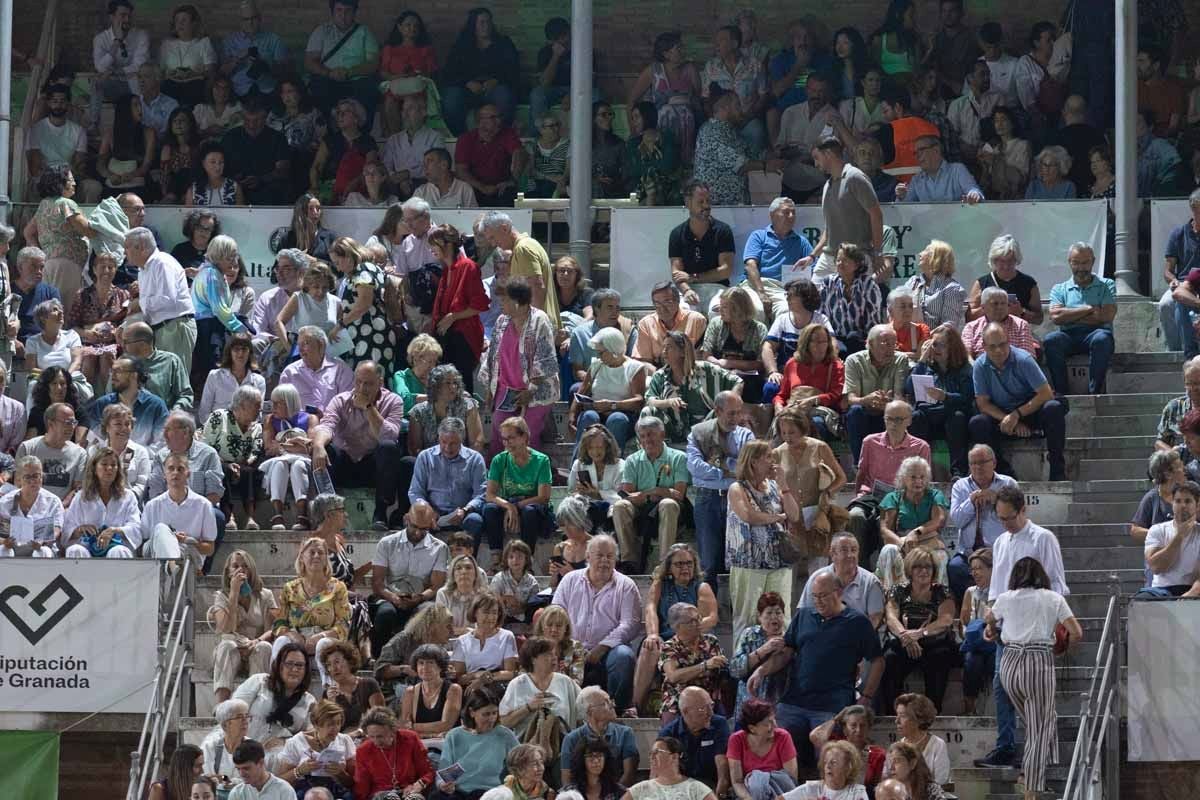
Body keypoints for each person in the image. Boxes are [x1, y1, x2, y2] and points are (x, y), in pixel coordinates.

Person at [747, 572, 884, 768]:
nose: (818, 601)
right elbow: (786, 653)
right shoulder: (804, 615)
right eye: (814, 596)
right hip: (794, 701)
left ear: (838, 592)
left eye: (823, 595)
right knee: (774, 744)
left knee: (829, 760)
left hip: (832, 705)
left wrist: (866, 697)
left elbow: (878, 661)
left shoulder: (857, 622)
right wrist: (761, 671)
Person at [974, 485, 1068, 769]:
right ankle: (1006, 747)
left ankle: (1040, 751)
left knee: (1034, 696)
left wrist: (1053, 625)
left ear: (1023, 510)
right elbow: (997, 589)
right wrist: (990, 620)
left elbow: (1056, 585)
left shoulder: (1043, 538)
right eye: (1001, 518)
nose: (1006, 524)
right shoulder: (1001, 542)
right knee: (1001, 686)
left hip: (1035, 629)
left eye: (1009, 518)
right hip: (1007, 624)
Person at [985, 557, 1083, 800]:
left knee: (1039, 720)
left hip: (1008, 663)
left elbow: (989, 618)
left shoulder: (1005, 598)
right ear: (1042, 575)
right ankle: (1031, 786)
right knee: (1040, 727)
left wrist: (993, 630)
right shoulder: (1053, 598)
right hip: (1037, 660)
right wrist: (1064, 645)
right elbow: (1077, 632)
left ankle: (1039, 767)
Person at [310, 361, 407, 530]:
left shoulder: (393, 401)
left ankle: (381, 513)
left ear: (380, 383)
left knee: (388, 448)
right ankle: (328, 513)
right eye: (358, 382)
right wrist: (318, 446)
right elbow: (327, 425)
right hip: (345, 464)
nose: (362, 388)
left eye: (368, 383)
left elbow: (389, 435)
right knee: (326, 449)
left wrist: (368, 408)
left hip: (373, 468)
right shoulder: (340, 400)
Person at [970, 323, 1067, 481]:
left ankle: (1057, 470)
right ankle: (1003, 472)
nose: (998, 350)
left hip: (1030, 410)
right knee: (978, 422)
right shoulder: (980, 366)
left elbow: (1046, 393)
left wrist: (1017, 415)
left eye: (1002, 344)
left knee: (1054, 408)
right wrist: (1009, 420)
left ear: (1008, 341)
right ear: (984, 347)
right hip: (1003, 414)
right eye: (992, 346)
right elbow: (983, 404)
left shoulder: (1023, 359)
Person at [725, 440, 801, 642]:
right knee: (747, 618)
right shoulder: (737, 488)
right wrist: (777, 518)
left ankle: (781, 664)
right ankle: (743, 666)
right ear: (753, 462)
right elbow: (748, 515)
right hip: (749, 562)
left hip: (778, 560)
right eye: (767, 457)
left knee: (781, 617)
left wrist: (784, 485)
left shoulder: (775, 486)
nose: (772, 461)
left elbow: (793, 515)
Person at [479, 277, 561, 452]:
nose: (501, 303)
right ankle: (499, 475)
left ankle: (530, 475)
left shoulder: (539, 319)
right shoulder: (502, 321)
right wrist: (490, 389)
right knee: (500, 431)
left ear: (518, 301)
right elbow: (493, 355)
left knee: (527, 433)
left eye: (505, 300)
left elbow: (545, 356)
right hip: (505, 389)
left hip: (537, 389)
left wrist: (531, 390)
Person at [687, 391, 753, 591]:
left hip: (737, 498)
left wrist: (721, 468)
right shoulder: (698, 433)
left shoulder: (746, 435)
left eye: (738, 413)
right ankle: (709, 610)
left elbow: (747, 467)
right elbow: (695, 467)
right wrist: (724, 472)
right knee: (708, 560)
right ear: (717, 411)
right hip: (707, 499)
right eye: (731, 413)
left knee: (739, 558)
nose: (736, 418)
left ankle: (738, 611)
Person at [611, 417, 688, 576]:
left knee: (668, 503)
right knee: (619, 506)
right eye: (643, 436)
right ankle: (629, 561)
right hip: (642, 506)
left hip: (670, 507)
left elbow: (679, 494)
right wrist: (655, 493)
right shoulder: (633, 460)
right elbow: (628, 493)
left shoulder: (678, 457)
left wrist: (652, 492)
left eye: (651, 435)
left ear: (662, 434)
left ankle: (665, 561)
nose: (647, 440)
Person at [370, 500, 449, 652]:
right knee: (385, 613)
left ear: (432, 524)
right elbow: (377, 583)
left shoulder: (440, 548)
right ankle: (379, 657)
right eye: (415, 527)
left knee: (429, 612)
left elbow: (435, 586)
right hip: (390, 596)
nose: (418, 532)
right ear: (406, 519)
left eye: (424, 529)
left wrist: (418, 598)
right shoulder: (387, 543)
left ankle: (419, 659)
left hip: (420, 598)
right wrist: (394, 598)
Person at [272, 536, 351, 688]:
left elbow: (344, 624)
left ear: (326, 558)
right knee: (282, 641)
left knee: (323, 644)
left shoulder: (337, 587)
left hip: (325, 642)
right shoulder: (290, 588)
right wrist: (292, 635)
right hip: (297, 644)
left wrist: (320, 636)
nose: (316, 556)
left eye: (320, 553)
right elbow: (279, 623)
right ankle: (275, 685)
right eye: (312, 552)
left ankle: (330, 691)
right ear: (302, 557)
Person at [145, 415, 224, 558]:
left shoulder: (208, 454)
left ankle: (202, 570)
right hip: (166, 508)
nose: (164, 435)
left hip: (198, 510)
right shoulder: (160, 456)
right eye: (165, 429)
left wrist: (193, 510)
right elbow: (155, 491)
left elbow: (215, 492)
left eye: (169, 430)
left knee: (216, 516)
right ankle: (171, 565)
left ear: (185, 432)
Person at [1044, 243, 1116, 395]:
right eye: (1076, 262)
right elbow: (1056, 317)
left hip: (1096, 334)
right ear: (1069, 262)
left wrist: (1069, 316)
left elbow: (1107, 316)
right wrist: (1089, 309)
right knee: (1051, 340)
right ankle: (1062, 394)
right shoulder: (1059, 288)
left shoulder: (1107, 284)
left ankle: (1094, 393)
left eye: (1085, 262)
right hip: (1068, 336)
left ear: (1093, 261)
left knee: (1102, 339)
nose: (1081, 267)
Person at [946, 444, 1017, 599]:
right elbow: (957, 520)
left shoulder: (1008, 484)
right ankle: (969, 608)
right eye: (973, 463)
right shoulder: (960, 486)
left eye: (983, 462)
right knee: (954, 568)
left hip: (1000, 552)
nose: (978, 467)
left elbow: (1016, 519)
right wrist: (971, 502)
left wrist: (997, 501)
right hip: (969, 554)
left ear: (994, 463)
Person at [480, 411, 553, 562]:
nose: (507, 443)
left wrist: (517, 506)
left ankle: (527, 559)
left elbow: (543, 497)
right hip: (510, 502)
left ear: (524, 437)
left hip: (531, 505)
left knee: (529, 512)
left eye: (511, 438)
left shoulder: (541, 460)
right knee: (489, 509)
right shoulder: (499, 460)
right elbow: (490, 495)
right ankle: (496, 559)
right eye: (504, 439)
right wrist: (509, 506)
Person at [125, 228, 198, 376]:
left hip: (175, 328)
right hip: (162, 330)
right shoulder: (143, 270)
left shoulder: (162, 263)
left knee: (176, 381)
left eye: (127, 247)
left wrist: (139, 303)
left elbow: (166, 299)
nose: (124, 252)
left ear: (141, 247)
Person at [905, 324, 974, 477]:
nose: (935, 348)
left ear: (952, 348)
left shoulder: (964, 369)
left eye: (940, 345)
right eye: (932, 344)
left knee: (957, 417)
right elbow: (909, 388)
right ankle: (917, 472)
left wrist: (945, 396)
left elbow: (967, 399)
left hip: (951, 417)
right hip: (930, 416)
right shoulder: (927, 367)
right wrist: (922, 360)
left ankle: (958, 472)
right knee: (915, 418)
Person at [209, 550, 277, 703]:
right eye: (235, 566)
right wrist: (233, 594)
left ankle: (255, 704)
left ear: (251, 570)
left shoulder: (265, 595)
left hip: (255, 647)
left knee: (265, 647)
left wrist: (257, 641)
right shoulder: (221, 596)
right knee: (226, 645)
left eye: (245, 566)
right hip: (232, 650)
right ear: (228, 572)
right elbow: (226, 629)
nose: (240, 570)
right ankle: (222, 705)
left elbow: (273, 629)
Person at [231, 642, 316, 763]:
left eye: (300, 665)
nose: (294, 669)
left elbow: (313, 734)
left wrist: (287, 741)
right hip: (244, 750)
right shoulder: (259, 682)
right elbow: (233, 711)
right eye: (289, 664)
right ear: (279, 666)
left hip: (279, 757)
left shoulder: (309, 701)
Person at [875, 457, 949, 591]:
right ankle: (891, 596)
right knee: (888, 550)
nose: (918, 481)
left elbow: (938, 520)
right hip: (901, 542)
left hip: (927, 541)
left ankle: (938, 599)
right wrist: (904, 544)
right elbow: (885, 529)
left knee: (941, 555)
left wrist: (916, 533)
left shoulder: (935, 495)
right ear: (903, 478)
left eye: (922, 477)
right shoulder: (893, 497)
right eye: (913, 477)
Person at [431, 224, 489, 394]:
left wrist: (453, 317)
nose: (431, 249)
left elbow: (480, 305)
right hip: (447, 337)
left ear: (448, 244)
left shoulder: (468, 267)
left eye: (434, 244)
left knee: (461, 386)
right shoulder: (447, 270)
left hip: (464, 337)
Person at [25, 165, 97, 301]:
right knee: (65, 309)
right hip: (68, 263)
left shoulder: (44, 204)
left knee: (50, 308)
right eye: (71, 180)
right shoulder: (66, 204)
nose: (75, 183)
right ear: (60, 183)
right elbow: (88, 231)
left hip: (48, 263)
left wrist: (40, 253)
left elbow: (28, 232)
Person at [435, 689, 521, 800]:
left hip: (490, 792)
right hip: (458, 791)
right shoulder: (455, 735)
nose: (491, 719)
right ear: (472, 712)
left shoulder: (504, 735)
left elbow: (522, 762)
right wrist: (443, 784)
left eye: (494, 713)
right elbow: (444, 773)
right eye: (486, 714)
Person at [844, 326, 911, 466]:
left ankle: (896, 464)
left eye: (894, 343)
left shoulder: (901, 360)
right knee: (855, 411)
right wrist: (866, 400)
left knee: (903, 413)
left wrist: (888, 403)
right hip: (865, 411)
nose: (891, 347)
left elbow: (899, 396)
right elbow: (850, 398)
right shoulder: (854, 361)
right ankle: (860, 465)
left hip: (888, 413)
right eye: (886, 342)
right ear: (870, 343)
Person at [59, 444, 140, 560]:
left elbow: (136, 528)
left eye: (113, 465)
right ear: (94, 469)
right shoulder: (81, 496)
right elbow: (67, 529)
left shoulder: (128, 496)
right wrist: (80, 530)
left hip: (117, 545)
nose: (109, 468)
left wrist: (115, 531)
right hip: (87, 547)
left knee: (118, 551)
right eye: (104, 464)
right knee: (75, 550)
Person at [303, 0, 380, 123]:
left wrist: (349, 72)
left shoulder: (364, 32)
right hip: (328, 78)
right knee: (319, 87)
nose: (343, 15)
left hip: (357, 80)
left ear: (354, 12)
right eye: (339, 10)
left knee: (369, 89)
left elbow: (373, 63)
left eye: (348, 11)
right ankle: (327, 131)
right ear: (332, 12)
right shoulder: (322, 31)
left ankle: (362, 133)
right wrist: (329, 73)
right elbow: (309, 62)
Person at [201, 384, 263, 532]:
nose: (259, 410)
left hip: (243, 465)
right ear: (242, 405)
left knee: (249, 472)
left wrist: (241, 465)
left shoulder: (257, 427)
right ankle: (229, 517)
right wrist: (227, 464)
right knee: (221, 471)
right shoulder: (219, 417)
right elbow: (205, 447)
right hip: (218, 462)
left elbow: (256, 450)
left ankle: (250, 517)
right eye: (256, 406)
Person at [668, 182, 737, 313]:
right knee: (684, 312)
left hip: (718, 288)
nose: (706, 205)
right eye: (701, 202)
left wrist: (693, 277)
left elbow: (726, 270)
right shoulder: (677, 234)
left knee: (717, 311)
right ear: (688, 203)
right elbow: (676, 273)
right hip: (689, 288)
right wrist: (687, 290)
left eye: (708, 200)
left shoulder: (723, 230)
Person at [500, 635, 581, 743]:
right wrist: (528, 708)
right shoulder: (517, 684)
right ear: (533, 659)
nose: (554, 658)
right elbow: (504, 723)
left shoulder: (565, 682)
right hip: (526, 749)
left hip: (561, 746)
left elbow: (584, 710)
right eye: (548, 654)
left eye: (555, 654)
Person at [67, 251, 128, 391]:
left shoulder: (123, 295)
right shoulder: (82, 295)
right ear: (94, 269)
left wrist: (116, 332)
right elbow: (71, 326)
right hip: (88, 341)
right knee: (89, 358)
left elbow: (127, 322)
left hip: (113, 343)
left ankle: (110, 400)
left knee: (107, 356)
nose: (106, 270)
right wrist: (87, 333)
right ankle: (86, 402)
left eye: (111, 267)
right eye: (102, 267)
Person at [773, 324, 845, 442]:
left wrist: (814, 400)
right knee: (783, 424)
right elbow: (782, 394)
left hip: (819, 410)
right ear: (806, 343)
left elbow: (836, 394)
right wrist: (778, 406)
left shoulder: (835, 365)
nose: (820, 346)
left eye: (824, 342)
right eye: (815, 342)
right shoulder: (792, 363)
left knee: (816, 423)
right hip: (793, 409)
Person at [275, 698, 357, 797]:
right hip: (306, 792)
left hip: (336, 791)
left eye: (338, 723)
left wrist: (340, 773)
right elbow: (280, 782)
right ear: (316, 725)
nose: (335, 728)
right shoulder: (296, 742)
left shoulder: (344, 740)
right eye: (330, 724)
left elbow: (353, 783)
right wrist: (300, 771)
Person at [655, 688, 731, 794]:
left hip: (712, 786)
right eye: (703, 708)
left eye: (711, 705)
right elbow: (660, 774)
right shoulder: (668, 734)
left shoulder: (719, 724)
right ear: (685, 712)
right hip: (680, 789)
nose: (710, 713)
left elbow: (723, 772)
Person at [820, 244, 886, 358]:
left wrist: (870, 342)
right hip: (835, 337)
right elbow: (822, 315)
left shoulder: (867, 284)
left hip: (861, 338)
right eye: (838, 260)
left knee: (853, 338)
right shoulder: (828, 283)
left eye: (845, 260)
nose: (840, 264)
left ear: (856, 264)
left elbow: (873, 320)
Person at [355, 706, 435, 799]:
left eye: (380, 736)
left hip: (410, 791)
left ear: (393, 731)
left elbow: (427, 772)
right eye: (372, 736)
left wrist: (419, 784)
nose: (376, 741)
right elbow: (361, 785)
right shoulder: (363, 750)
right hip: (381, 794)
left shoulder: (410, 739)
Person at [374, 603, 453, 697]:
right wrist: (405, 669)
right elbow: (380, 669)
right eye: (448, 627)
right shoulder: (404, 640)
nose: (452, 631)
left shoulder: (440, 650)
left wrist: (447, 671)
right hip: (397, 693)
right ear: (433, 626)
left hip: (428, 693)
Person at [17, 403, 87, 506]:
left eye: (73, 422)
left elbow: (77, 488)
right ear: (50, 424)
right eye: (67, 422)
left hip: (63, 511)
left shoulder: (80, 454)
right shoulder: (28, 448)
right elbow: (19, 483)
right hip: (30, 508)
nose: (72, 427)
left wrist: (59, 507)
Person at [454, 104, 524, 207]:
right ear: (480, 121)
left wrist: (513, 180)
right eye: (493, 118)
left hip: (502, 187)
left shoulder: (507, 133)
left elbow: (520, 153)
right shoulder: (466, 139)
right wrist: (483, 188)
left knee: (511, 193)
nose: (499, 121)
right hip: (475, 187)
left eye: (500, 116)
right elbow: (461, 171)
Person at [1139, 481, 1200, 598]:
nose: (1183, 506)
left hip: (1192, 589)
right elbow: (1156, 567)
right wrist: (1179, 536)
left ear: (1197, 505)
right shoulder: (1157, 530)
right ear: (1172, 503)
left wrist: (1188, 595)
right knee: (1142, 598)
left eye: (1188, 501)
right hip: (1161, 590)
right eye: (1178, 501)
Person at [25, 83, 89, 194]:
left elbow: (79, 165)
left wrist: (67, 177)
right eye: (55, 101)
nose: (58, 105)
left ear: (68, 104)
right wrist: (52, 179)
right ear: (49, 103)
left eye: (62, 101)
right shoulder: (36, 129)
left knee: (93, 187)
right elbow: (35, 166)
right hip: (44, 177)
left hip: (69, 176)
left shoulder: (79, 131)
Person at [966, 234, 1043, 326]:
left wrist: (1022, 312)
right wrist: (987, 308)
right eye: (1002, 261)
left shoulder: (1028, 284)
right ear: (994, 261)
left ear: (1016, 260)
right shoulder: (982, 283)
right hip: (987, 334)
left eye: (1010, 261)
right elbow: (969, 318)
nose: (1006, 266)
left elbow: (1039, 318)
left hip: (1018, 334)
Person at [92, 0, 150, 113]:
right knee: (96, 82)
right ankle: (93, 124)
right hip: (113, 85)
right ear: (112, 17)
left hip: (136, 84)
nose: (127, 20)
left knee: (139, 78)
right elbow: (100, 67)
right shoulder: (100, 39)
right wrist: (117, 41)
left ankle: (143, 117)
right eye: (123, 15)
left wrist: (114, 72)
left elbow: (140, 65)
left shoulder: (141, 35)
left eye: (129, 16)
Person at [0, 456, 64, 558]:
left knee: (43, 552)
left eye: (36, 476)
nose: (32, 480)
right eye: (27, 477)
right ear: (19, 479)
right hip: (13, 547)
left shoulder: (53, 501)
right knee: (3, 550)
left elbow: (57, 528)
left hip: (40, 546)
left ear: (42, 477)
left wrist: (42, 540)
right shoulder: (6, 502)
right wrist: (4, 541)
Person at [397, 643, 463, 740]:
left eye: (430, 662)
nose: (425, 667)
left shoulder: (453, 689)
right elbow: (405, 728)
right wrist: (431, 734)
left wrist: (414, 726)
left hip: (447, 745)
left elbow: (445, 725)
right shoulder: (411, 692)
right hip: (419, 744)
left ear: (440, 666)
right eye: (421, 663)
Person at [320, 640, 385, 735]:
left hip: (368, 737)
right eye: (329, 665)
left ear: (350, 662)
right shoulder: (328, 694)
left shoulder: (369, 684)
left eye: (337, 662)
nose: (333, 668)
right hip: (342, 742)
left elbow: (380, 718)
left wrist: (359, 732)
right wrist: (331, 703)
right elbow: (327, 729)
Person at [959, 547, 995, 714]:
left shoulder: (1002, 592)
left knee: (995, 661)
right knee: (972, 662)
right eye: (972, 569)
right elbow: (963, 623)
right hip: (975, 643)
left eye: (979, 568)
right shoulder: (970, 592)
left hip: (996, 641)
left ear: (991, 569)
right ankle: (969, 706)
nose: (975, 573)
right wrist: (969, 633)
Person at [947, 59, 1003, 164]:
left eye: (988, 74)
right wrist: (972, 151)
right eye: (982, 74)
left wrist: (986, 150)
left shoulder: (998, 99)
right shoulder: (957, 105)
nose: (987, 78)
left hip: (993, 156)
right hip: (966, 158)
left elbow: (1004, 130)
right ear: (970, 78)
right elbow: (953, 137)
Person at [961, 287, 1039, 360]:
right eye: (995, 304)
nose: (1000, 307)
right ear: (983, 307)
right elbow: (966, 356)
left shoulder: (1021, 325)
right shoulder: (971, 327)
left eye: (1003, 303)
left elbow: (1028, 356)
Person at [975, 106, 1031, 200]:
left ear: (1012, 123)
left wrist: (995, 160)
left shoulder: (1023, 145)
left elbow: (1020, 179)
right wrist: (984, 166)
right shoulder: (995, 149)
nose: (999, 124)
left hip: (1016, 200)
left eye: (1003, 119)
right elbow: (987, 184)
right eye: (996, 120)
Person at [202, 699, 251, 791]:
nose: (246, 721)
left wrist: (224, 779)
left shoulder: (252, 747)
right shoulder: (211, 746)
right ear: (225, 725)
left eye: (247, 716)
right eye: (240, 717)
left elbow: (253, 780)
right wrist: (227, 779)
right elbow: (208, 778)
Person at [229, 738, 296, 799]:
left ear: (261, 762)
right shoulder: (236, 793)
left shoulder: (284, 791)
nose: (241, 774)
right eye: (238, 769)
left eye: (246, 768)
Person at [888, 290, 930, 359]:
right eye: (903, 306)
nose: (908, 310)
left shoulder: (922, 329)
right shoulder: (882, 332)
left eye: (910, 306)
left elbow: (921, 356)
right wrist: (912, 355)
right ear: (891, 311)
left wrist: (894, 354)